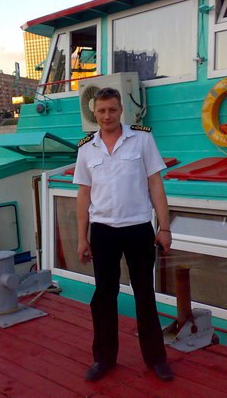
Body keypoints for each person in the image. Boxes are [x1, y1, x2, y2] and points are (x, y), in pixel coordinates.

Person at [73, 86, 174, 382]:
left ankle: (156, 359)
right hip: (103, 231)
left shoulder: (142, 139)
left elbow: (156, 184)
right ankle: (103, 359)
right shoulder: (86, 148)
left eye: (112, 110)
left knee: (144, 294)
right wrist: (82, 237)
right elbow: (83, 194)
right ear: (94, 113)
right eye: (101, 110)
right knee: (104, 296)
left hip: (138, 228)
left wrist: (164, 227)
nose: (107, 115)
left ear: (121, 110)